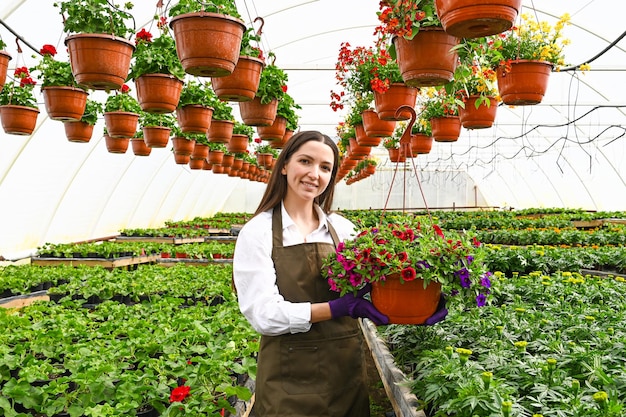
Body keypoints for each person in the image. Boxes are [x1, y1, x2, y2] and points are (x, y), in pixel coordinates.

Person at [232, 130, 388, 417]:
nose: (314, 174)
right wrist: (335, 308)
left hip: (344, 376)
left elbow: (378, 282)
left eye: (325, 167)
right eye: (305, 161)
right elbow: (264, 315)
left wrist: (415, 305)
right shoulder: (258, 232)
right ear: (284, 166)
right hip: (288, 381)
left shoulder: (343, 230)